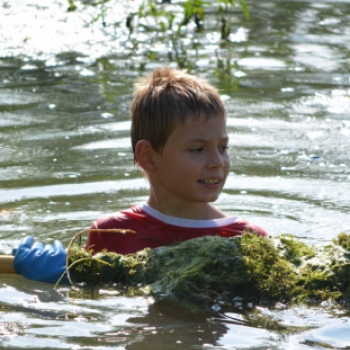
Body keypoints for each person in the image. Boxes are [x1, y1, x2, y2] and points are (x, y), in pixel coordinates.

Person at [13, 67, 268, 283]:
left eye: (223, 147)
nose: (217, 162)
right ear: (149, 156)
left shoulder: (249, 242)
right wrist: (60, 283)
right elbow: (96, 309)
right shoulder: (112, 233)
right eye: (197, 149)